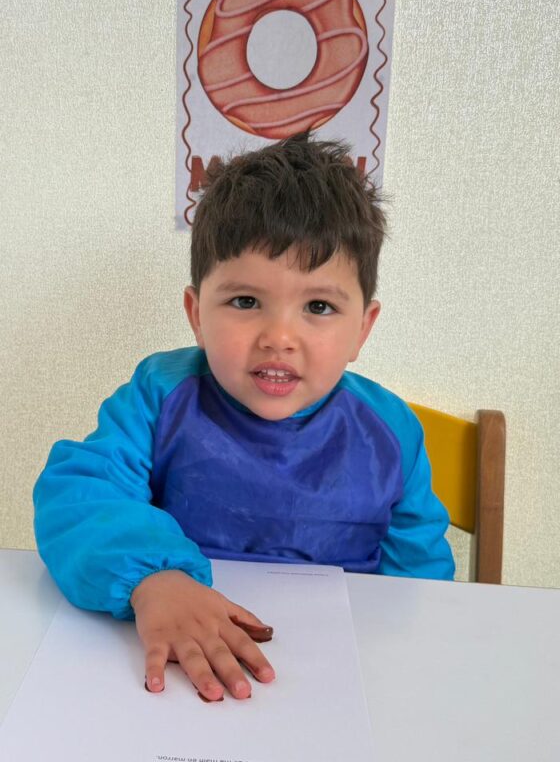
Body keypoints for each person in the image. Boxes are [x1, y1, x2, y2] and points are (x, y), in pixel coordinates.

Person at [34, 132, 454, 703]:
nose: (279, 337)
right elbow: (78, 494)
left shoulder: (392, 434)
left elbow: (422, 592)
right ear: (196, 314)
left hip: (336, 682)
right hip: (177, 666)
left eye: (319, 306)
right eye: (246, 302)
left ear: (363, 328)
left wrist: (407, 679)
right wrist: (154, 577)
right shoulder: (160, 395)